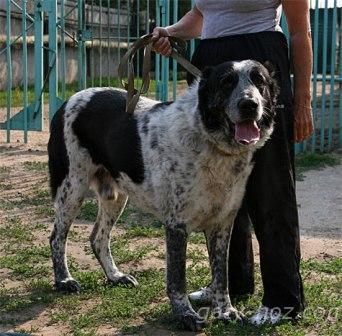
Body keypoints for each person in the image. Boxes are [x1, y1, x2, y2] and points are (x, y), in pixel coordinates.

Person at [152, 0, 313, 324]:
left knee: (271, 190)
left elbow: (300, 30)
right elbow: (201, 15)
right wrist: (170, 32)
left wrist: (302, 100)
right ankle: (230, 285)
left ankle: (283, 299)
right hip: (213, 67)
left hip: (259, 62)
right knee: (222, 189)